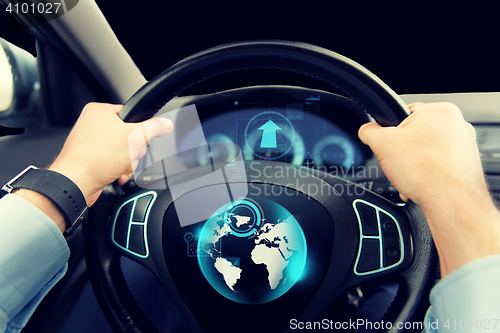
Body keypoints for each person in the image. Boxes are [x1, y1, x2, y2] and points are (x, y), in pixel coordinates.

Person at [0, 101, 499, 332]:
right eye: (209, 155)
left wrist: (71, 176)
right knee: (388, 298)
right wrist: (453, 195)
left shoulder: (197, 189)